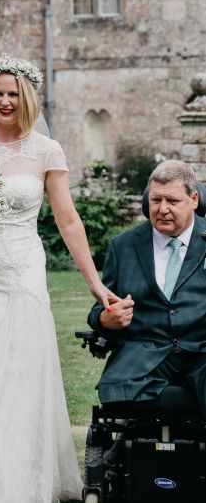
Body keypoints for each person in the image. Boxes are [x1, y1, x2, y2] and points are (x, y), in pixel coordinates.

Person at [0, 55, 117, 502]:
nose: (4, 101)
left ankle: (9, 483)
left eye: (13, 94)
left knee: (17, 387)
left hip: (21, 278)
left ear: (28, 97)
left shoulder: (46, 151)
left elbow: (68, 220)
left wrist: (94, 282)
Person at [88, 160, 206, 415]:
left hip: (201, 353)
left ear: (194, 199)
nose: (162, 209)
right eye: (156, 200)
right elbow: (100, 307)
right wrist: (106, 319)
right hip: (145, 355)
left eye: (172, 201)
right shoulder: (123, 246)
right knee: (116, 392)